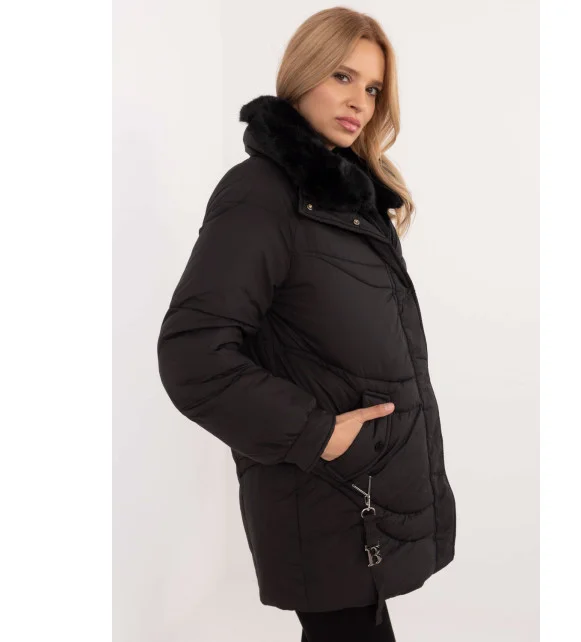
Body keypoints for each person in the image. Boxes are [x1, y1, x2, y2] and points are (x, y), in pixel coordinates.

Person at [157, 7, 456, 641]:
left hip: (362, 494)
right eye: (342, 77)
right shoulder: (262, 193)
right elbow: (192, 353)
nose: (360, 102)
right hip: (327, 496)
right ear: (302, 74)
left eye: (372, 88)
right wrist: (318, 433)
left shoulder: (350, 202)